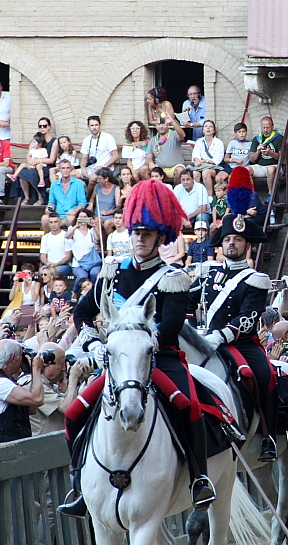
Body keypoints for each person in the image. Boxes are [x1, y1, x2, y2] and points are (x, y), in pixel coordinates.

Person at [60, 178, 216, 516]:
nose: (140, 239)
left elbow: (172, 327)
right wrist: (94, 344)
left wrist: (139, 346)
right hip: (116, 362)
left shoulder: (172, 277)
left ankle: (199, 478)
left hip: (159, 360)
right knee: (73, 414)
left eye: (147, 234)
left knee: (189, 407)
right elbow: (83, 313)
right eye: (136, 232)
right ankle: (79, 487)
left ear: (161, 237)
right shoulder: (111, 272)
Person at [190, 169, 277, 460]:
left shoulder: (255, 279)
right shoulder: (206, 273)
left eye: (238, 240)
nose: (232, 244)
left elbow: (248, 318)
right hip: (206, 340)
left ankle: (269, 436)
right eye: (228, 238)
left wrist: (220, 337)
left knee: (264, 375)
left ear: (247, 245)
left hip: (241, 344)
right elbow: (189, 304)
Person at [0, 339, 44, 443]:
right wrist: (36, 370)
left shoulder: (1, 378)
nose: (22, 359)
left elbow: (31, 409)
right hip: (4, 451)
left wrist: (29, 372)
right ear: (13, 358)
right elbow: (37, 399)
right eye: (21, 356)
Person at [44, 160, 87, 230]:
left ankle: (71, 239)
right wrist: (49, 208)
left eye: (68, 168)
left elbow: (82, 203)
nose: (65, 170)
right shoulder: (54, 185)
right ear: (59, 170)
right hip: (58, 215)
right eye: (63, 168)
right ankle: (48, 239)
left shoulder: (78, 184)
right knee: (45, 218)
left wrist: (75, 211)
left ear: (71, 169)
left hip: (72, 214)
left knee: (71, 218)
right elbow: (52, 202)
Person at [146, 115, 187, 184]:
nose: (161, 126)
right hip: (159, 168)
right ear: (156, 125)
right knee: (143, 170)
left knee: (180, 170)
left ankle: (175, 192)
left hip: (174, 168)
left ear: (168, 125)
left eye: (163, 124)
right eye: (159, 124)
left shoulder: (174, 134)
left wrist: (173, 122)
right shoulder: (153, 140)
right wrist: (150, 163)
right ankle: (151, 189)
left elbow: (182, 135)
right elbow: (149, 156)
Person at [66, 210, 103, 282]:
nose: (83, 218)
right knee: (83, 276)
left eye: (85, 217)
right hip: (78, 264)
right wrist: (76, 226)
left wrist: (95, 226)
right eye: (81, 217)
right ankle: (75, 292)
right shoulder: (73, 229)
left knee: (95, 273)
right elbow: (67, 236)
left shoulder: (91, 230)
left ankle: (93, 291)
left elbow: (99, 239)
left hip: (92, 262)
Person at [251, 116, 284, 194]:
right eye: (263, 128)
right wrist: (258, 151)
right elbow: (252, 159)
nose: (265, 130)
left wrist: (270, 152)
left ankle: (270, 194)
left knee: (271, 169)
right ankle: (250, 194)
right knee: (245, 170)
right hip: (260, 166)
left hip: (275, 166)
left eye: (268, 127)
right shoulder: (257, 139)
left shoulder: (279, 138)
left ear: (273, 126)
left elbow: (281, 158)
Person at [191, 120, 224, 196]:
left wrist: (204, 161)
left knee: (206, 173)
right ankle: (197, 195)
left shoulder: (218, 142)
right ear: (203, 130)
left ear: (214, 130)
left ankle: (210, 196)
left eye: (210, 126)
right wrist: (197, 160)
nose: (208, 128)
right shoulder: (199, 141)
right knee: (195, 173)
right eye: (206, 126)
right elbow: (195, 155)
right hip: (201, 166)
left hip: (214, 167)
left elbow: (217, 160)